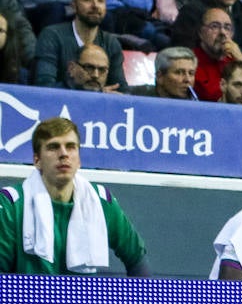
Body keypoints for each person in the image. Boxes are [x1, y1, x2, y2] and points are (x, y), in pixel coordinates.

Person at [0, 117, 148, 276]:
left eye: (71, 147)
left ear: (78, 160)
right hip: (26, 299)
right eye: (53, 147)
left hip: (83, 300)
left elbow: (137, 259)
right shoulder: (11, 204)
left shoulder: (100, 201)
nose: (63, 154)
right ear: (37, 160)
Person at [33, 0, 129, 91]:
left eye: (100, 0)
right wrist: (82, 89)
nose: (95, 5)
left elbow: (122, 90)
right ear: (73, 5)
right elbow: (44, 86)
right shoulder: (52, 36)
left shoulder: (111, 43)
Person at [129, 46, 197, 99]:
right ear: (160, 77)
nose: (187, 80)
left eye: (191, 73)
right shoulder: (132, 97)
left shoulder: (195, 105)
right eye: (179, 72)